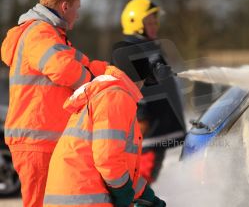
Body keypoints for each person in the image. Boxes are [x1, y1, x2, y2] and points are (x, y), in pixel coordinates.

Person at [0, 0, 106, 206]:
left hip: (41, 139)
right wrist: (93, 84)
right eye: (77, 9)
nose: (78, 15)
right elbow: (63, 68)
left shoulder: (52, 36)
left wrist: (111, 72)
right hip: (37, 140)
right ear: (65, 6)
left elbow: (82, 63)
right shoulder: (40, 32)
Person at [44, 65, 166, 207]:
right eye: (145, 80)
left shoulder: (105, 94)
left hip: (75, 195)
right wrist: (123, 194)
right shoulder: (116, 96)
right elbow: (108, 158)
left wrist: (146, 195)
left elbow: (120, 165)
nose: (143, 85)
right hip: (85, 199)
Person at [112, 0, 186, 184]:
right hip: (148, 133)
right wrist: (141, 117)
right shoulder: (132, 51)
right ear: (135, 23)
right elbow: (130, 85)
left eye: (155, 22)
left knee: (145, 181)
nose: (154, 26)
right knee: (141, 182)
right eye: (149, 22)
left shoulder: (149, 48)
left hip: (157, 130)